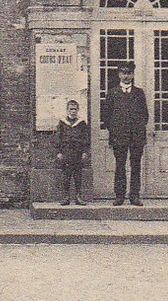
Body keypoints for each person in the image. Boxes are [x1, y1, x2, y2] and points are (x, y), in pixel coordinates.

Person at [101, 61, 149, 206]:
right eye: (123, 73)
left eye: (129, 73)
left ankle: (134, 195)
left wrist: (138, 130)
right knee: (120, 166)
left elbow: (145, 115)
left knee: (136, 165)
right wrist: (115, 131)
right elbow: (106, 116)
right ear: (119, 75)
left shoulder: (139, 93)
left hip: (136, 137)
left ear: (133, 75)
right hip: (119, 137)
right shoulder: (112, 93)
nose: (126, 76)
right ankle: (119, 195)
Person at [55, 98, 90, 205]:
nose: (73, 111)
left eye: (75, 109)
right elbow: (58, 138)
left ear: (78, 110)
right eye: (71, 109)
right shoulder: (62, 123)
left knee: (78, 175)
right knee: (66, 175)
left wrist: (84, 152)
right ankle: (66, 197)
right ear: (67, 110)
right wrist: (59, 152)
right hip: (66, 152)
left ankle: (78, 197)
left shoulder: (82, 123)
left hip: (78, 153)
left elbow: (86, 138)